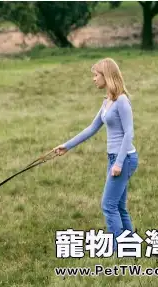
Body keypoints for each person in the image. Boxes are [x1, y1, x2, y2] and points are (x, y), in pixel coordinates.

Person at [53, 57, 139, 253]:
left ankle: (118, 250)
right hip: (115, 159)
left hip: (124, 159)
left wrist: (118, 163)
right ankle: (131, 246)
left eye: (96, 75)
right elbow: (91, 128)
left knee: (108, 206)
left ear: (106, 76)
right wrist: (67, 146)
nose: (93, 79)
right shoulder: (107, 102)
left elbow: (129, 133)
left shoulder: (122, 101)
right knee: (119, 206)